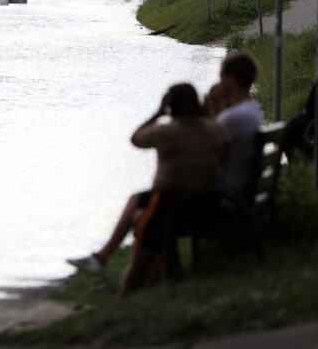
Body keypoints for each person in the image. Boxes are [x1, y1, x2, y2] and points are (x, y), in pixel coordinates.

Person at [67, 84, 226, 295]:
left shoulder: (167, 131)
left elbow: (136, 139)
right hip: (208, 206)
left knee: (139, 250)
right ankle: (116, 262)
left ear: (171, 105)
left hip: (170, 208)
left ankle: (115, 280)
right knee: (140, 205)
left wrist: (158, 113)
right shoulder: (214, 129)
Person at [216, 51, 263, 199]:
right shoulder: (255, 109)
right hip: (244, 190)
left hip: (227, 194)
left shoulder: (232, 117)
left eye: (221, 76)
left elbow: (206, 151)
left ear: (231, 79)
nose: (219, 82)